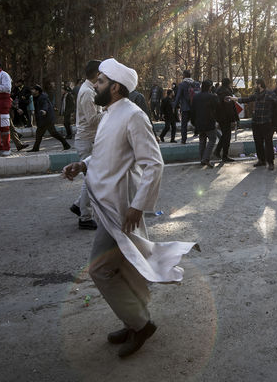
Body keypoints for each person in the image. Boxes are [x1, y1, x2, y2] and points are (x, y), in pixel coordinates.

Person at [62, 58, 197, 358]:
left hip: (121, 211)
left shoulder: (133, 115)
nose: (94, 85)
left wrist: (138, 206)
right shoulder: (109, 114)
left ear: (115, 87)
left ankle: (141, 323)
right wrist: (82, 164)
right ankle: (134, 320)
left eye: (99, 81)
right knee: (126, 268)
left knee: (99, 269)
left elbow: (154, 163)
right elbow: (106, 157)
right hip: (107, 205)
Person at [70, 60, 102, 231]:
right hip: (87, 140)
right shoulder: (88, 93)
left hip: (89, 140)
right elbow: (92, 120)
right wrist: (112, 112)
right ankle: (85, 217)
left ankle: (78, 205)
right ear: (97, 74)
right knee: (91, 180)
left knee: (91, 178)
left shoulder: (90, 90)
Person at [235, 78, 277, 171]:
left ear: (259, 84)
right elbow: (248, 99)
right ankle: (261, 160)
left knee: (269, 143)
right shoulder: (257, 94)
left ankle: (270, 162)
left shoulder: (269, 93)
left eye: (255, 84)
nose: (254, 86)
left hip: (266, 123)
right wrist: (235, 99)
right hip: (256, 122)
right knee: (258, 143)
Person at [28, 84, 71, 152]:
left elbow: (45, 105)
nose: (32, 91)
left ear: (37, 91)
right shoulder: (36, 97)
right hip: (44, 118)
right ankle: (65, 144)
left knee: (48, 133)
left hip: (47, 118)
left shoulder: (42, 97)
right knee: (44, 133)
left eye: (33, 89)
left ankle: (66, 144)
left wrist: (44, 110)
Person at [190, 80, 219, 167]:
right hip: (209, 122)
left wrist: (193, 122)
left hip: (199, 123)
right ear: (210, 87)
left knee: (202, 141)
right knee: (212, 139)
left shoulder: (196, 97)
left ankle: (202, 159)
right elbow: (217, 108)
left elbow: (192, 110)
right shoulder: (212, 96)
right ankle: (206, 158)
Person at [213, 78, 239, 162]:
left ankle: (217, 151)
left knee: (224, 135)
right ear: (228, 84)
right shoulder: (227, 92)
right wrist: (233, 119)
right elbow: (229, 107)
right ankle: (224, 155)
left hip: (220, 117)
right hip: (226, 117)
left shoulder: (218, 91)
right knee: (227, 136)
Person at [0, 58, 13, 156]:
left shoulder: (4, 75)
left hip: (3, 103)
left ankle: (7, 148)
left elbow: (7, 88)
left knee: (4, 127)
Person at [173, 70, 198, 144]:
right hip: (194, 107)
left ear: (184, 75)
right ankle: (200, 134)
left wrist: (174, 106)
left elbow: (178, 96)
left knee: (184, 124)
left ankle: (183, 139)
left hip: (185, 107)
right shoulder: (196, 83)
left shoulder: (182, 84)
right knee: (196, 122)